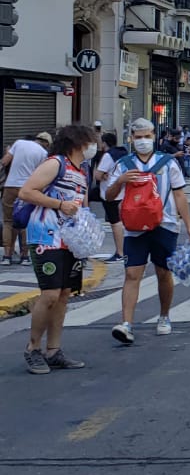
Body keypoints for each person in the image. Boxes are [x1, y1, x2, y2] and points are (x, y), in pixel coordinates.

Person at [104, 118, 190, 345]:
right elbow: (109, 196)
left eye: (147, 136)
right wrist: (120, 182)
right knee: (131, 274)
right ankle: (126, 323)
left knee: (163, 273)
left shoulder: (167, 163)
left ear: (154, 136)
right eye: (138, 137)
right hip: (134, 229)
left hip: (165, 225)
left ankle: (164, 315)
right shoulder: (123, 165)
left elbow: (179, 195)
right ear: (131, 139)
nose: (143, 141)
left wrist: (189, 225)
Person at [19, 125, 98, 374]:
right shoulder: (55, 164)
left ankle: (53, 350)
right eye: (90, 142)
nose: (93, 147)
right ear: (77, 143)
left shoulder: (82, 171)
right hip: (46, 236)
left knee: (64, 293)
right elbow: (27, 191)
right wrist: (59, 204)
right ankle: (33, 348)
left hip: (71, 240)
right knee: (50, 293)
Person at [2, 132, 52, 265]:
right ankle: (25, 256)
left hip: (10, 186)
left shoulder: (18, 143)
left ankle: (7, 256)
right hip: (27, 189)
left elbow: (4, 161)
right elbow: (41, 174)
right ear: (46, 144)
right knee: (26, 221)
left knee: (8, 221)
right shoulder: (43, 153)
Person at [94, 133, 128, 263]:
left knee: (115, 223)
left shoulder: (108, 156)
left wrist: (102, 175)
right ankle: (123, 251)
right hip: (123, 192)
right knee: (120, 222)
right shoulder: (123, 152)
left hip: (110, 193)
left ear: (104, 143)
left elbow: (97, 175)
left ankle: (120, 252)